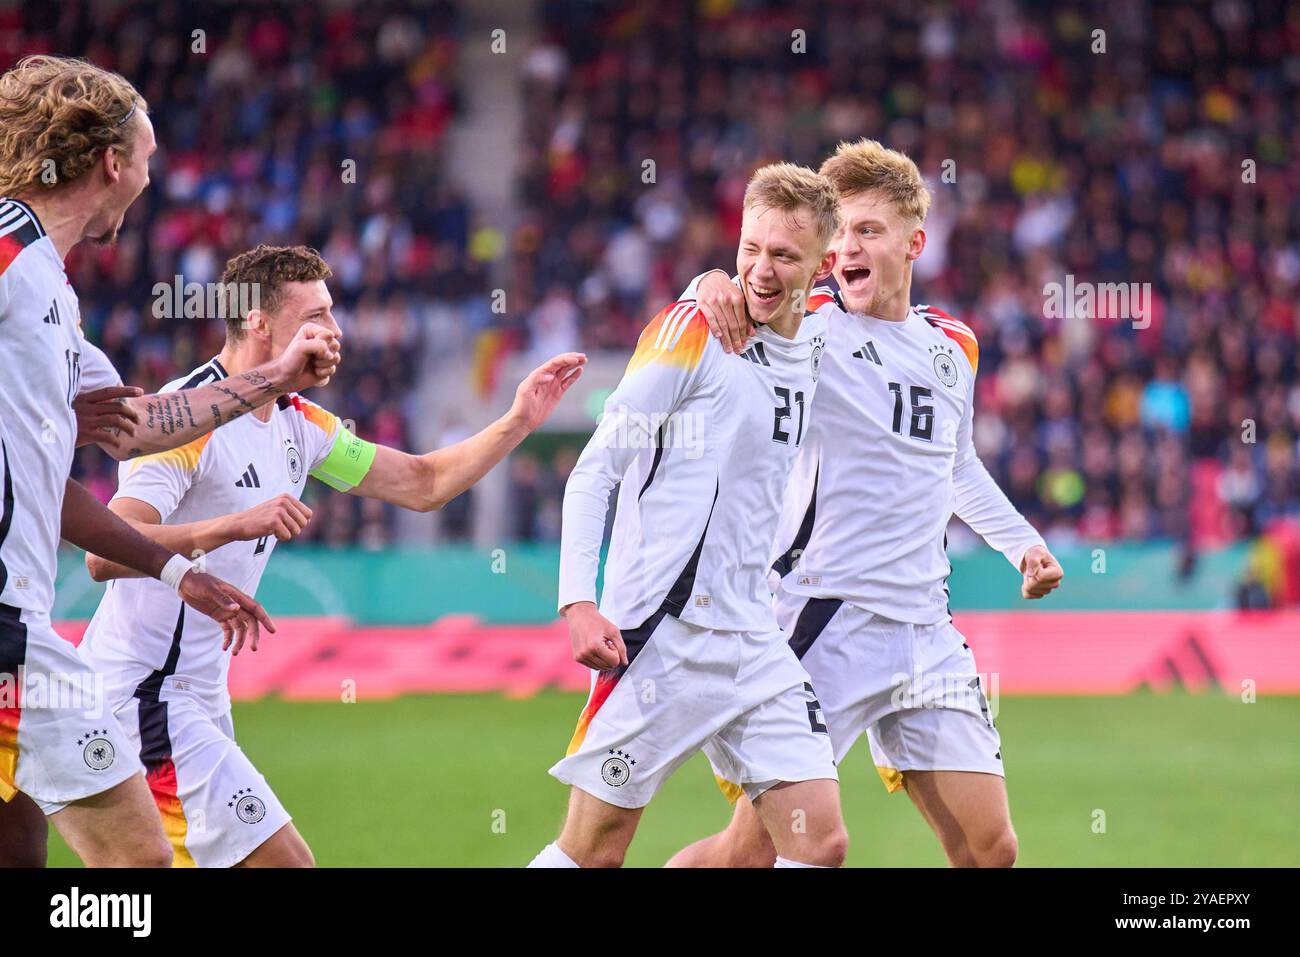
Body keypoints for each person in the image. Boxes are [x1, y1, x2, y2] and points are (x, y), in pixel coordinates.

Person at [78, 243, 585, 866]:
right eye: (315, 316)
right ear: (259, 322)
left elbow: (422, 484)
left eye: (333, 313)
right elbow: (106, 551)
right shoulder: (186, 417)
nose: (335, 331)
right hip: (142, 692)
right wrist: (234, 525)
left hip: (200, 696)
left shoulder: (300, 422)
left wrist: (517, 421)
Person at [668, 140, 1063, 868]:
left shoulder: (955, 344)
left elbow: (958, 464)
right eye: (838, 231)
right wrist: (706, 282)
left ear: (913, 242)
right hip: (824, 618)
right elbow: (744, 287)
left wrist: (1022, 544)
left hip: (925, 629)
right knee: (761, 851)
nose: (845, 247)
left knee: (991, 849)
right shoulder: (806, 320)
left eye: (866, 231)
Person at [530, 164, 847, 868]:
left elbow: (880, 300)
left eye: (783, 256)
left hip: (752, 634)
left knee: (819, 841)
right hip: (658, 636)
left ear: (822, 266)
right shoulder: (695, 328)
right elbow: (595, 469)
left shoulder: (824, 335)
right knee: (594, 851)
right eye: (749, 250)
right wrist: (579, 601)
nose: (760, 272)